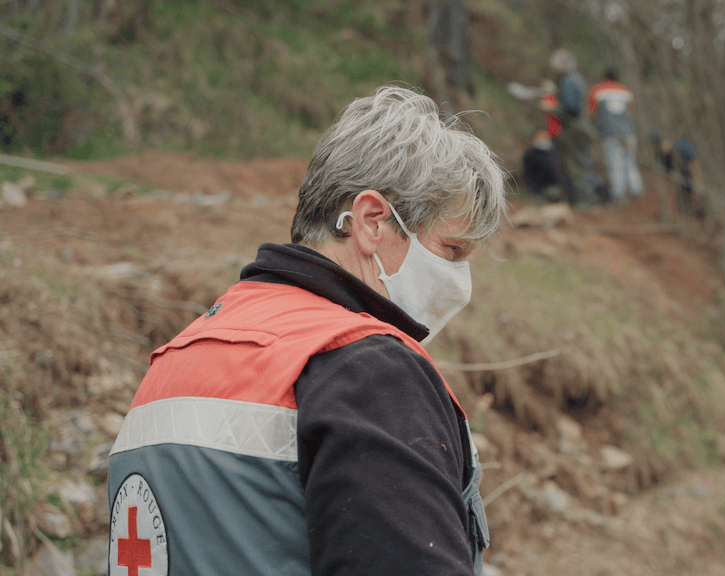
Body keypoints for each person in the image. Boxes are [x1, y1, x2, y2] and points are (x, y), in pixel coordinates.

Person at [106, 87, 506, 576]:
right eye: (452, 250)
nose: (460, 280)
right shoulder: (370, 373)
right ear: (372, 222)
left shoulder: (177, 357)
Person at [548, 48, 602, 208]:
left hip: (576, 129)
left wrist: (553, 109)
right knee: (583, 162)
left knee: (579, 164)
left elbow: (572, 109)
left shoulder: (568, 80)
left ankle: (586, 201)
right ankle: (588, 199)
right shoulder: (577, 78)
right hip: (583, 128)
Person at [588, 69, 643, 204]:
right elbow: (631, 110)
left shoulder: (596, 90)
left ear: (605, 77)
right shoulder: (626, 91)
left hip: (609, 134)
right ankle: (637, 191)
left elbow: (591, 113)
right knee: (630, 162)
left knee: (614, 164)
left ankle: (619, 195)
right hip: (628, 133)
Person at [521, 128, 562, 201]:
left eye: (544, 136)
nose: (542, 139)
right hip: (541, 190)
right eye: (540, 137)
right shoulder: (530, 154)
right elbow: (528, 175)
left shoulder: (556, 151)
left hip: (559, 187)